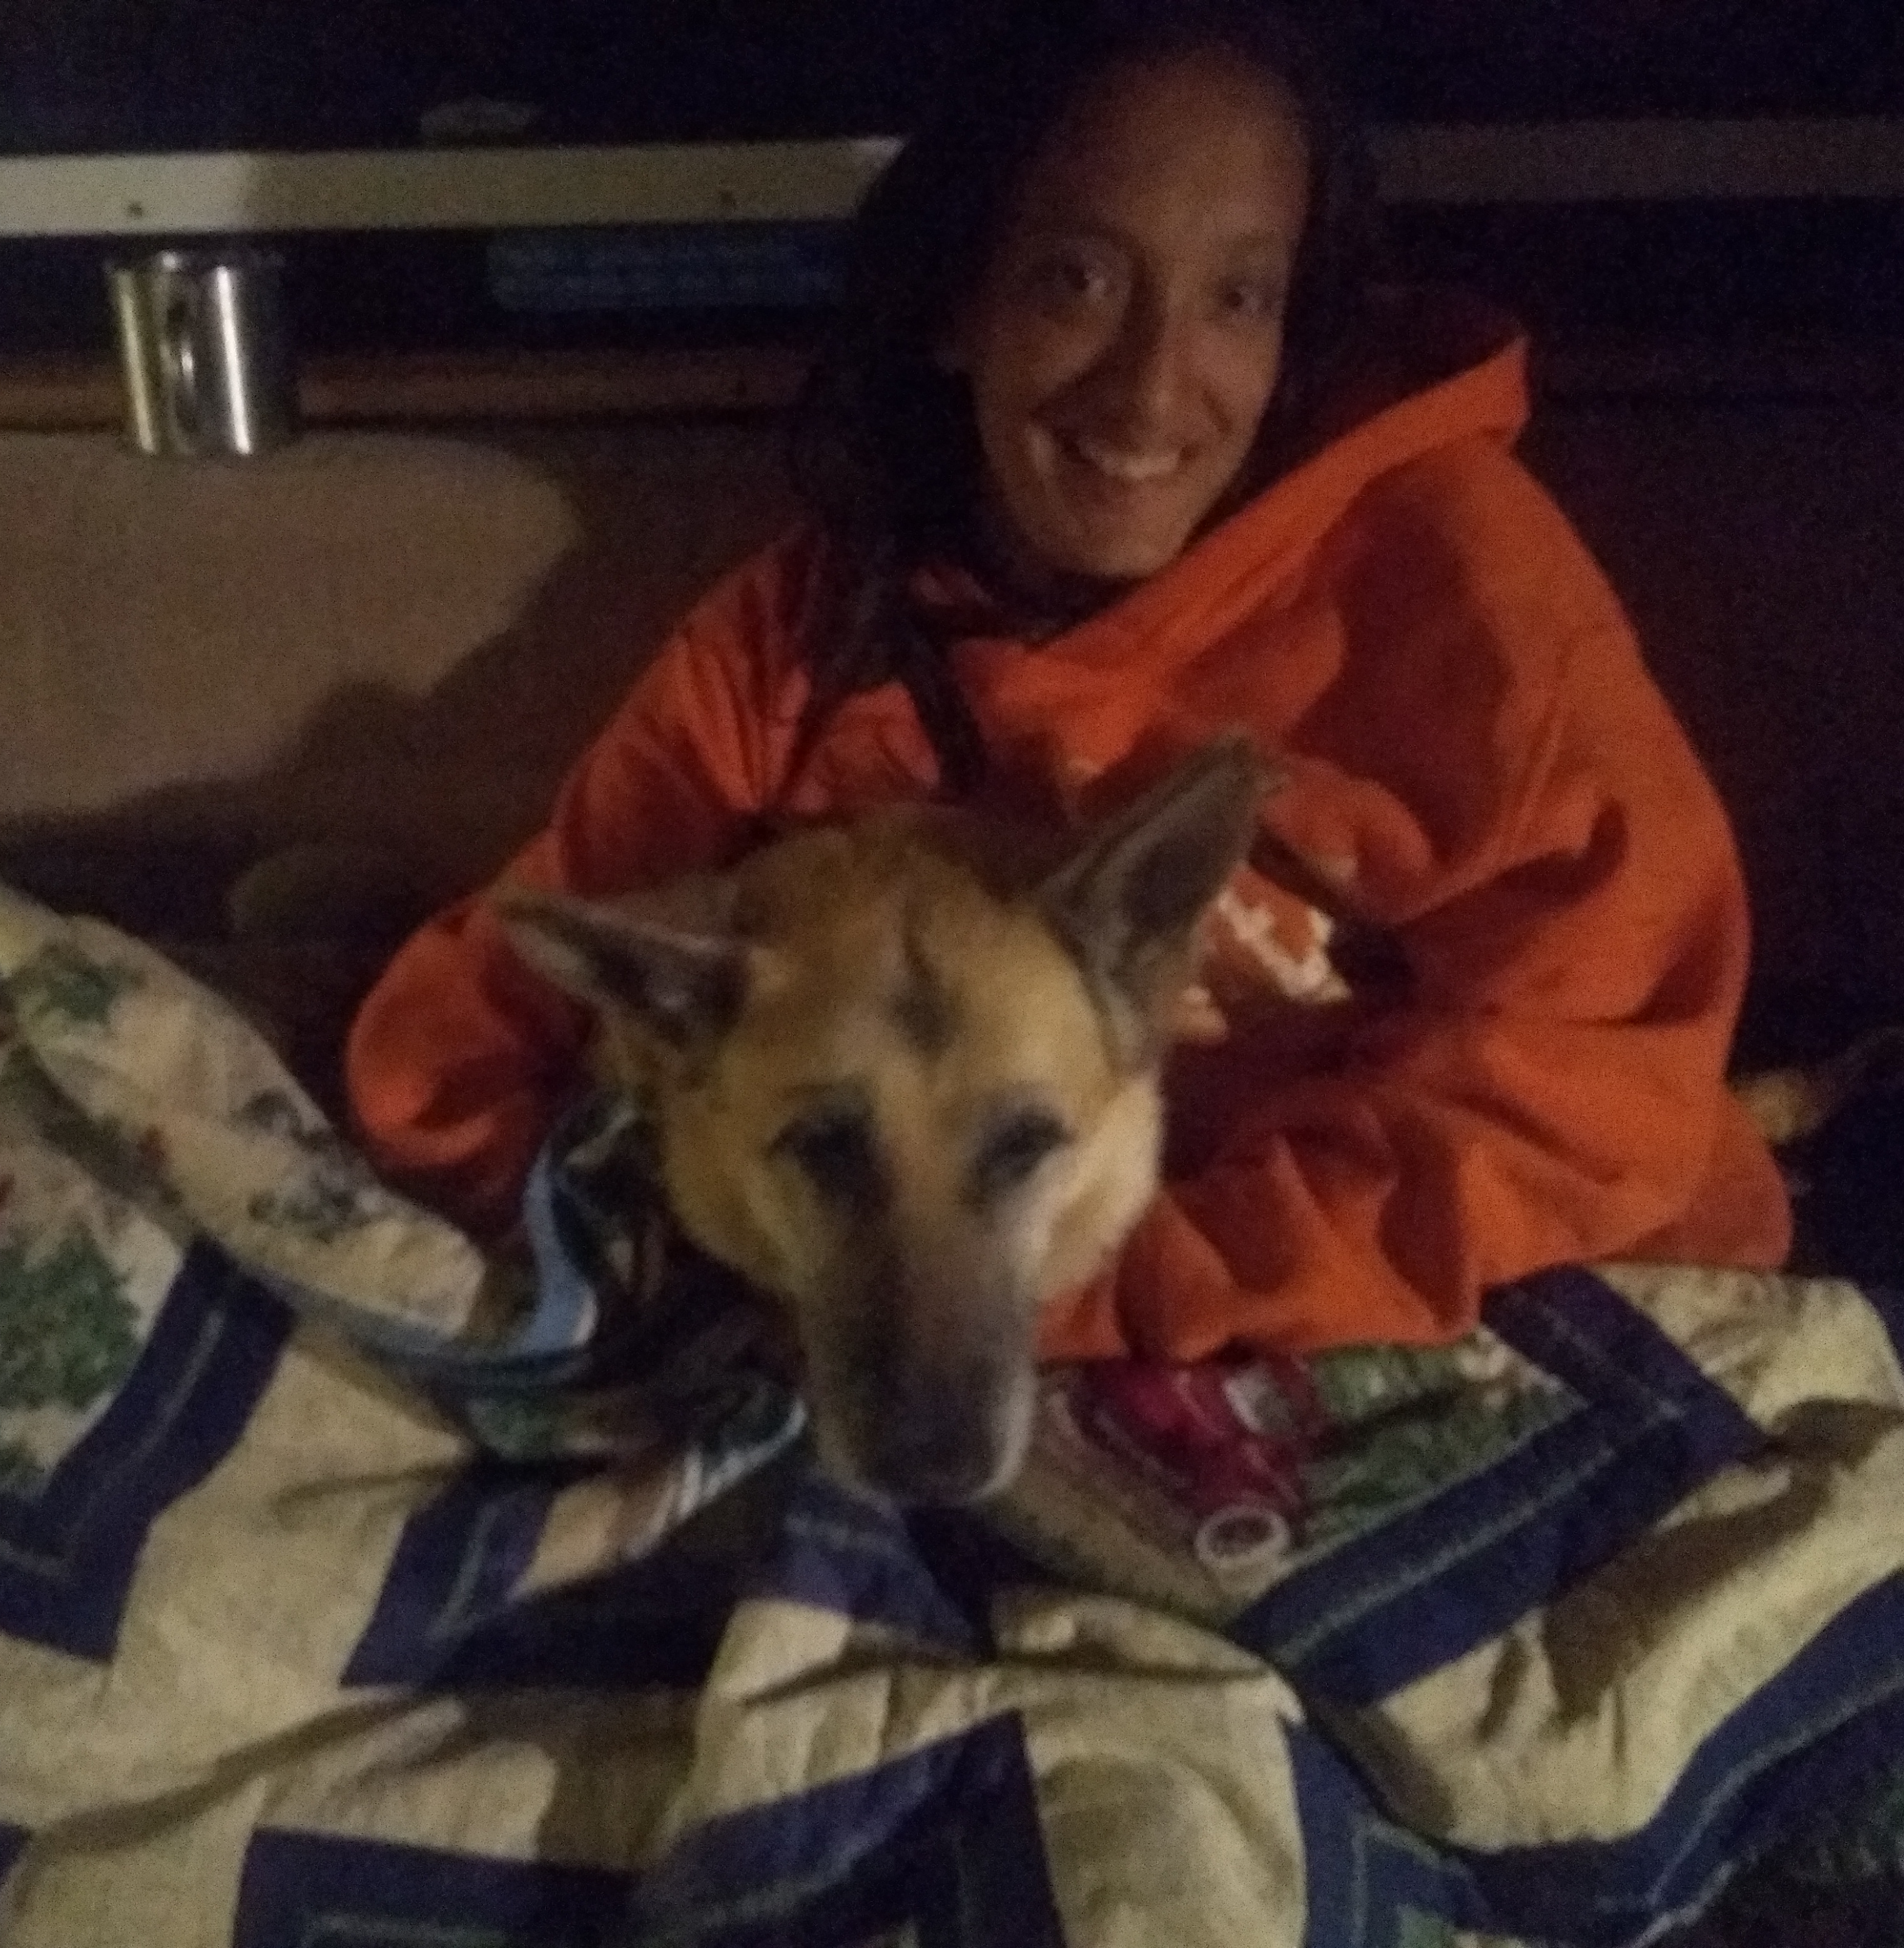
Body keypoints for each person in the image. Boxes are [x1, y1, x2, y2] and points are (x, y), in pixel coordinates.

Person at [342, 0, 1794, 1365]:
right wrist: (646, 1263)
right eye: (1078, 280)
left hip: (1496, 1292)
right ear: (958, 300)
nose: (1154, 388)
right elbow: (479, 1029)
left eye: (1236, 297)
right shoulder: (809, 641)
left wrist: (1093, 1296)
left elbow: (1594, 1089)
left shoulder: (1459, 595)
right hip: (945, 1320)